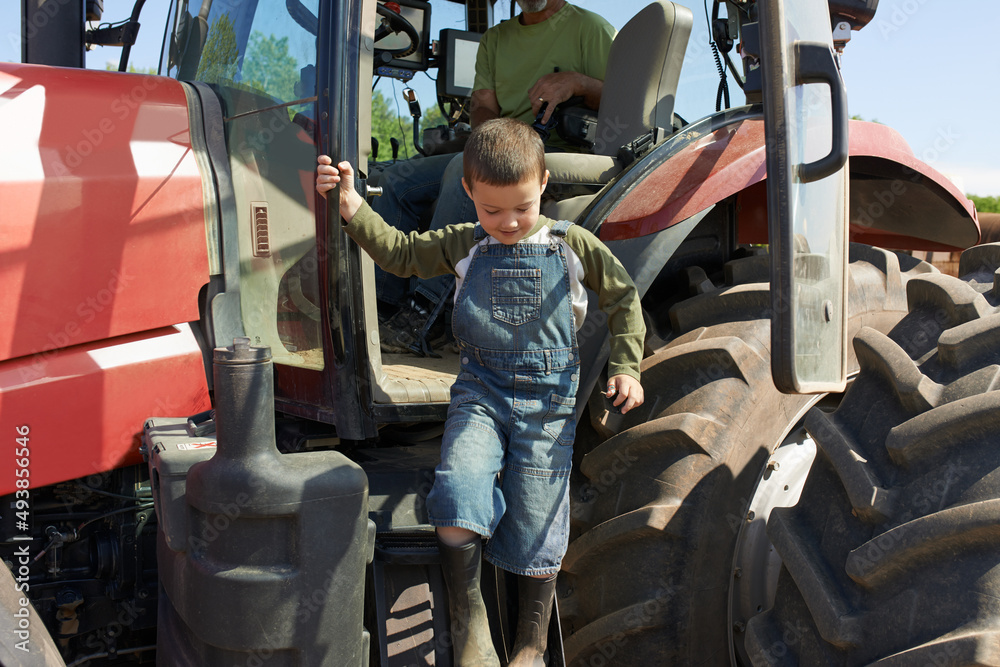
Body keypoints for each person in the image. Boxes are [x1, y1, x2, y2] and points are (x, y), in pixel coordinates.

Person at [317, 118, 645, 666]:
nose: (509, 223)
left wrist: (627, 366)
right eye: (492, 211)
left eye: (521, 207)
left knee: (538, 520)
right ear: (468, 192)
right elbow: (399, 252)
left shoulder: (572, 244)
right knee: (457, 495)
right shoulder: (464, 243)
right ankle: (470, 623)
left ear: (543, 183)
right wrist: (350, 203)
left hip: (548, 405)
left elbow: (624, 298)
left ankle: (531, 646)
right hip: (481, 393)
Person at [372, 0, 616, 355]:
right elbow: (483, 105)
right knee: (395, 182)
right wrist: (493, 138)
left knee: (462, 169)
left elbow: (622, 98)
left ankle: (424, 314)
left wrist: (577, 82)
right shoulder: (495, 39)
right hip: (506, 143)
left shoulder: (590, 28)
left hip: (559, 148)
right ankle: (386, 307)